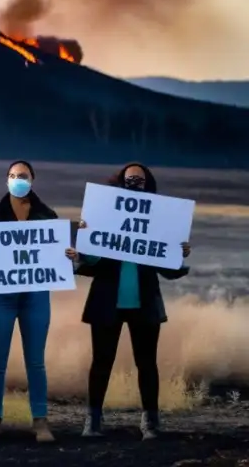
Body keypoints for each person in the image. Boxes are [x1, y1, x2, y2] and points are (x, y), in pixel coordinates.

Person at [66, 162, 192, 441]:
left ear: (149, 184)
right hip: (106, 302)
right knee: (101, 361)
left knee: (147, 363)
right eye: (130, 179)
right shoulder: (103, 217)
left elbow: (170, 270)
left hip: (144, 303)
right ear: (120, 183)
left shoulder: (159, 220)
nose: (135, 184)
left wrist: (179, 253)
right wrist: (85, 241)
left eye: (140, 180)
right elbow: (90, 263)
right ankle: (93, 421)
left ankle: (150, 423)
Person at [0, 161, 56, 443]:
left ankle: (40, 422)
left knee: (36, 361)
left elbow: (61, 259)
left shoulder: (47, 217)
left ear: (33, 179)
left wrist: (68, 255)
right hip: (0, 298)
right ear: (6, 180)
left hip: (35, 297)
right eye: (14, 176)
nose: (19, 180)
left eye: (24, 176)